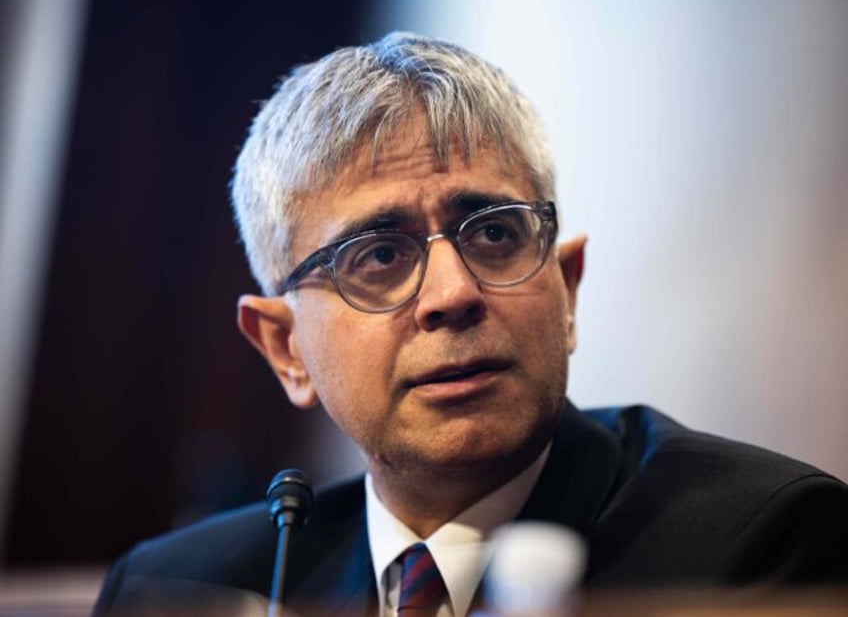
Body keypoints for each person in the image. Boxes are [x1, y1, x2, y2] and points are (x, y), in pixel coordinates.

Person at [93, 32, 848, 616]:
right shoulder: (174, 590)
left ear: (567, 287)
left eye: (492, 234)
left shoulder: (757, 544)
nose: (451, 294)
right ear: (286, 349)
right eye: (379, 254)